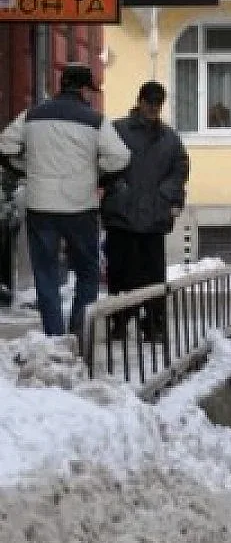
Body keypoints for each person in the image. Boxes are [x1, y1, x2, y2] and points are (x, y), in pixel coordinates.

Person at [0, 63, 131, 337]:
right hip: (80, 207)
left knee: (45, 273)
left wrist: (25, 169)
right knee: (87, 272)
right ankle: (79, 330)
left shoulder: (32, 115)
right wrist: (98, 178)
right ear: (83, 89)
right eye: (89, 91)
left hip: (40, 206)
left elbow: (5, 146)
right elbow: (119, 158)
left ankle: (54, 336)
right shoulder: (94, 120)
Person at [100, 81, 189, 341]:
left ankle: (153, 324)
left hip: (152, 216)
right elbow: (102, 162)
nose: (153, 108)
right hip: (122, 215)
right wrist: (116, 186)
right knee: (120, 273)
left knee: (153, 274)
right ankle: (119, 320)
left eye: (157, 103)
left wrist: (168, 195)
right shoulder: (117, 130)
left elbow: (180, 168)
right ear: (139, 101)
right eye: (149, 102)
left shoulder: (169, 137)